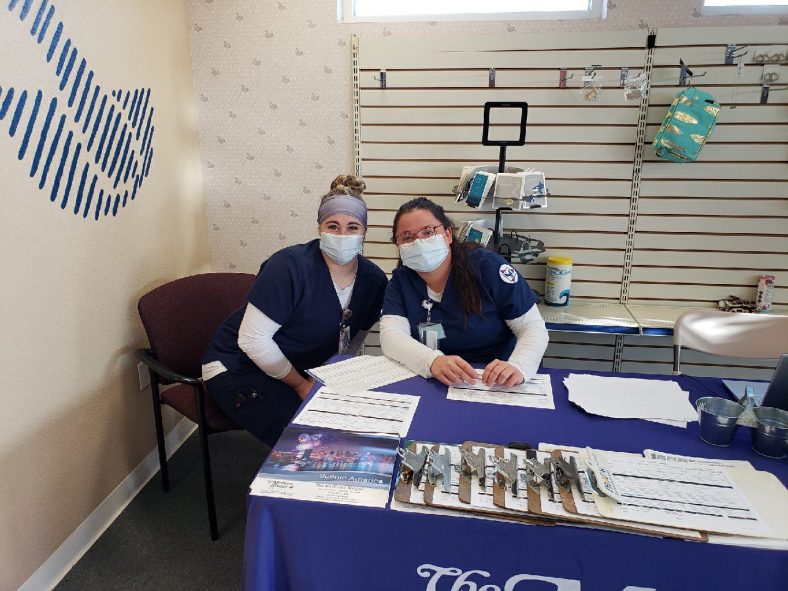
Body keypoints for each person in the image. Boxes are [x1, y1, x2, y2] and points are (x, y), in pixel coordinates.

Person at [202, 175, 388, 445]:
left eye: (353, 227)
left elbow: (351, 339)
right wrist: (301, 386)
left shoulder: (373, 281)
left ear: (364, 233)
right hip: (238, 365)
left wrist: (335, 377)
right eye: (332, 226)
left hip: (298, 368)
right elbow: (252, 341)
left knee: (351, 424)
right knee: (309, 441)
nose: (342, 235)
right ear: (319, 228)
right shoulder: (289, 267)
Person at [380, 197, 548, 388]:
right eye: (407, 237)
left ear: (448, 234)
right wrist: (432, 360)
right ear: (398, 246)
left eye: (428, 232)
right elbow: (390, 336)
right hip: (438, 381)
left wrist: (520, 365)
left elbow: (532, 326)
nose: (418, 242)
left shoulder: (487, 267)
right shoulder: (401, 281)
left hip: (495, 382)